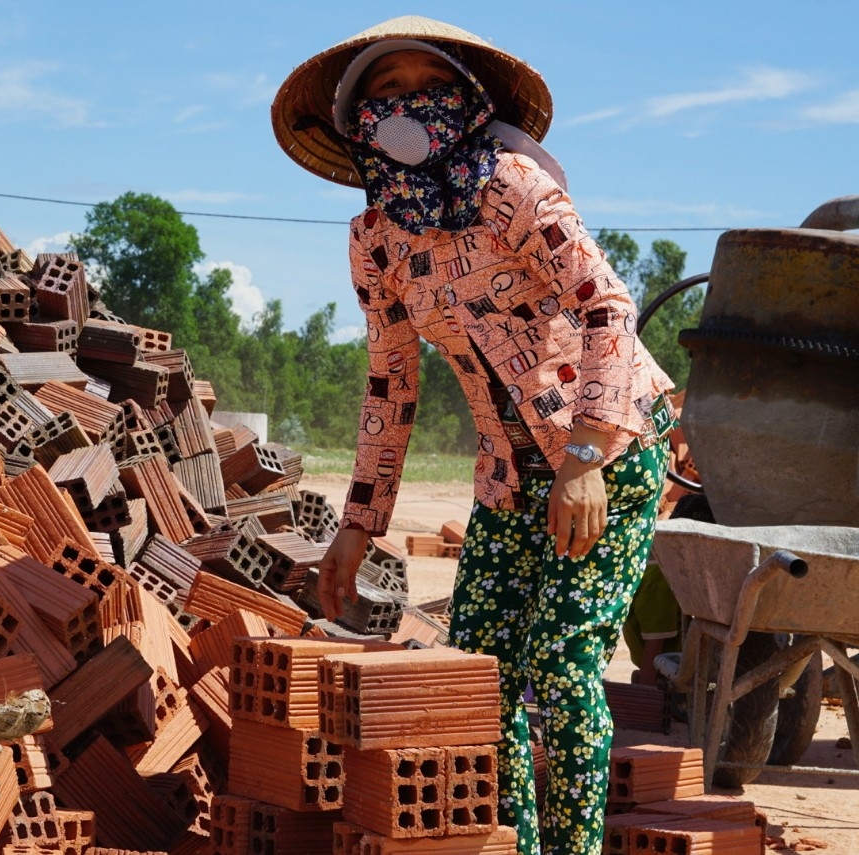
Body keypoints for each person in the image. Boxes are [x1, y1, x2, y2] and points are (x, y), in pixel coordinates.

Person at [272, 16, 676, 855]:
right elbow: (392, 379)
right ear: (358, 121)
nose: (407, 101)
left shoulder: (513, 186)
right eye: (385, 90)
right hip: (507, 474)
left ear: (461, 98)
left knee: (561, 669)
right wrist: (358, 525)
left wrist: (588, 453)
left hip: (611, 448)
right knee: (480, 676)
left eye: (426, 83)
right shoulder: (375, 236)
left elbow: (609, 307)